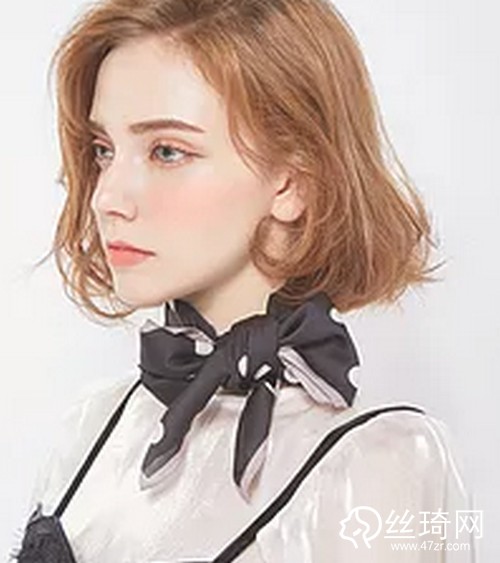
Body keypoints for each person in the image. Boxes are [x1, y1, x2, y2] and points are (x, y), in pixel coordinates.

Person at [11, 0, 475, 561]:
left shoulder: (386, 461)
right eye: (104, 151)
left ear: (293, 182)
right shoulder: (91, 427)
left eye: (166, 151)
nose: (106, 197)